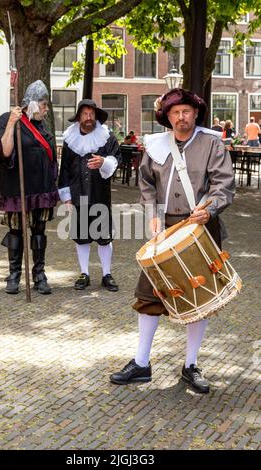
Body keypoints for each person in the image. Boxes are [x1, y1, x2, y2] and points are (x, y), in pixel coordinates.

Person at [110, 88, 235, 393]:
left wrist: (210, 209)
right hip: (165, 229)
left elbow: (224, 184)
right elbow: (147, 183)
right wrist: (151, 213)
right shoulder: (155, 146)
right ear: (166, 117)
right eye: (175, 112)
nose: (181, 117)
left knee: (200, 297)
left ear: (196, 114)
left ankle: (191, 366)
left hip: (201, 227)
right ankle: (141, 364)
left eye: (186, 111)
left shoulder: (212, 143)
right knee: (149, 296)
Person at [0, 80, 59, 295]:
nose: (46, 109)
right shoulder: (9, 119)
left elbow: (50, 158)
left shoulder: (43, 126)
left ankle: (39, 274)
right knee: (16, 231)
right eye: (43, 104)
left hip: (41, 188)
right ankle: (14, 274)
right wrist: (12, 123)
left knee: (39, 231)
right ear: (31, 104)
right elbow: (3, 152)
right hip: (17, 188)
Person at [58, 99, 120, 292]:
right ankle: (84, 273)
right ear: (79, 117)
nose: (88, 117)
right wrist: (66, 196)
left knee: (104, 237)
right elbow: (65, 170)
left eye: (91, 114)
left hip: (100, 193)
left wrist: (104, 162)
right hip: (78, 195)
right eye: (85, 114)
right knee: (82, 237)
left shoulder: (107, 138)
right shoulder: (70, 140)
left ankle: (106, 274)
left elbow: (116, 159)